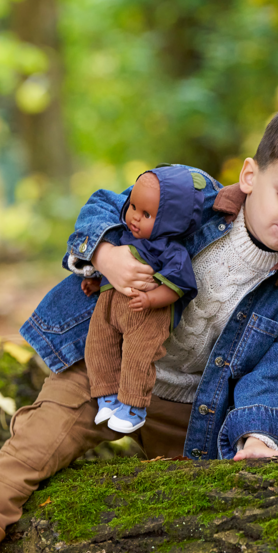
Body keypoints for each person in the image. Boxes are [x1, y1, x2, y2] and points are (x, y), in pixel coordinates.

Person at [0, 99, 278, 553]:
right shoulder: (187, 198)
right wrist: (106, 254)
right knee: (30, 452)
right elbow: (105, 205)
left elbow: (276, 369)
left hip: (193, 408)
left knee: (200, 513)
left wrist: (259, 437)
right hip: (106, 369)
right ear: (251, 176)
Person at [83, 166, 203, 433]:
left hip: (147, 314)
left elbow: (180, 287)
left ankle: (134, 407)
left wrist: (151, 300)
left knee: (138, 357)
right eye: (133, 207)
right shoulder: (125, 235)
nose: (135, 217)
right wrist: (96, 279)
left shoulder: (172, 251)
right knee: (98, 346)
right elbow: (113, 267)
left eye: (146, 214)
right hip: (109, 305)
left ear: (171, 221)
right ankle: (107, 397)